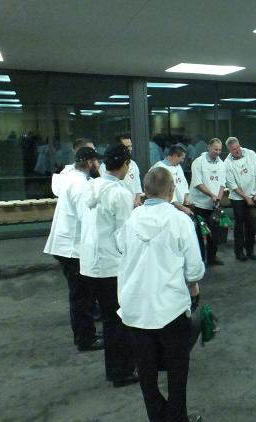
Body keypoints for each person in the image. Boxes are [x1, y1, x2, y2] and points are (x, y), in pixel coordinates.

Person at [117, 167, 205, 422]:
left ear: (145, 191)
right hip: (170, 307)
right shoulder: (180, 220)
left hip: (135, 307)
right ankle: (176, 417)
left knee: (146, 370)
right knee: (177, 369)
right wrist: (192, 285)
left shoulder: (130, 221)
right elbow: (195, 268)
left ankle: (158, 416)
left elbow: (120, 250)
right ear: (171, 190)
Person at [78, 143, 138, 387]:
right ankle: (121, 372)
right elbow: (124, 234)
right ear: (125, 164)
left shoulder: (92, 186)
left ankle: (115, 369)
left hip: (90, 262)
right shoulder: (120, 193)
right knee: (120, 320)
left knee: (108, 318)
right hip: (112, 265)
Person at [43, 146, 103, 352]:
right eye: (96, 162)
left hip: (66, 245)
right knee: (82, 296)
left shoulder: (71, 176)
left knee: (83, 294)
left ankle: (87, 333)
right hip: (71, 248)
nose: (99, 166)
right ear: (89, 162)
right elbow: (86, 217)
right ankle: (85, 339)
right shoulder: (80, 184)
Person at [224, 137, 256, 261]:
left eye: (238, 147)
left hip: (253, 194)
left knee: (251, 223)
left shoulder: (251, 154)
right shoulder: (227, 163)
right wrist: (246, 198)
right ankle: (239, 252)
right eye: (234, 149)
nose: (237, 151)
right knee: (239, 225)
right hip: (237, 198)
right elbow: (232, 186)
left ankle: (250, 250)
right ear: (229, 150)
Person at [190, 138, 227, 265]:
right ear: (209, 147)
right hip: (199, 204)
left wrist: (218, 198)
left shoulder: (222, 164)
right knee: (200, 233)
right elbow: (197, 183)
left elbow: (222, 184)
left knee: (215, 232)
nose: (218, 152)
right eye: (216, 149)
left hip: (214, 204)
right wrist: (212, 195)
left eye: (220, 150)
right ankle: (200, 260)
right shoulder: (198, 162)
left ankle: (212, 257)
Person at [101, 134, 143, 207]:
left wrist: (137, 203)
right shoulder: (106, 166)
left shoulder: (133, 164)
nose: (130, 149)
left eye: (131, 146)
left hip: (132, 206)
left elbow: (137, 187)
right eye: (127, 147)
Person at [150, 145, 193, 216]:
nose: (182, 161)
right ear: (175, 156)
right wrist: (182, 208)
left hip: (181, 207)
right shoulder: (160, 167)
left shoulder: (178, 166)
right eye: (182, 158)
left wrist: (186, 198)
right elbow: (165, 192)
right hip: (167, 208)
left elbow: (183, 183)